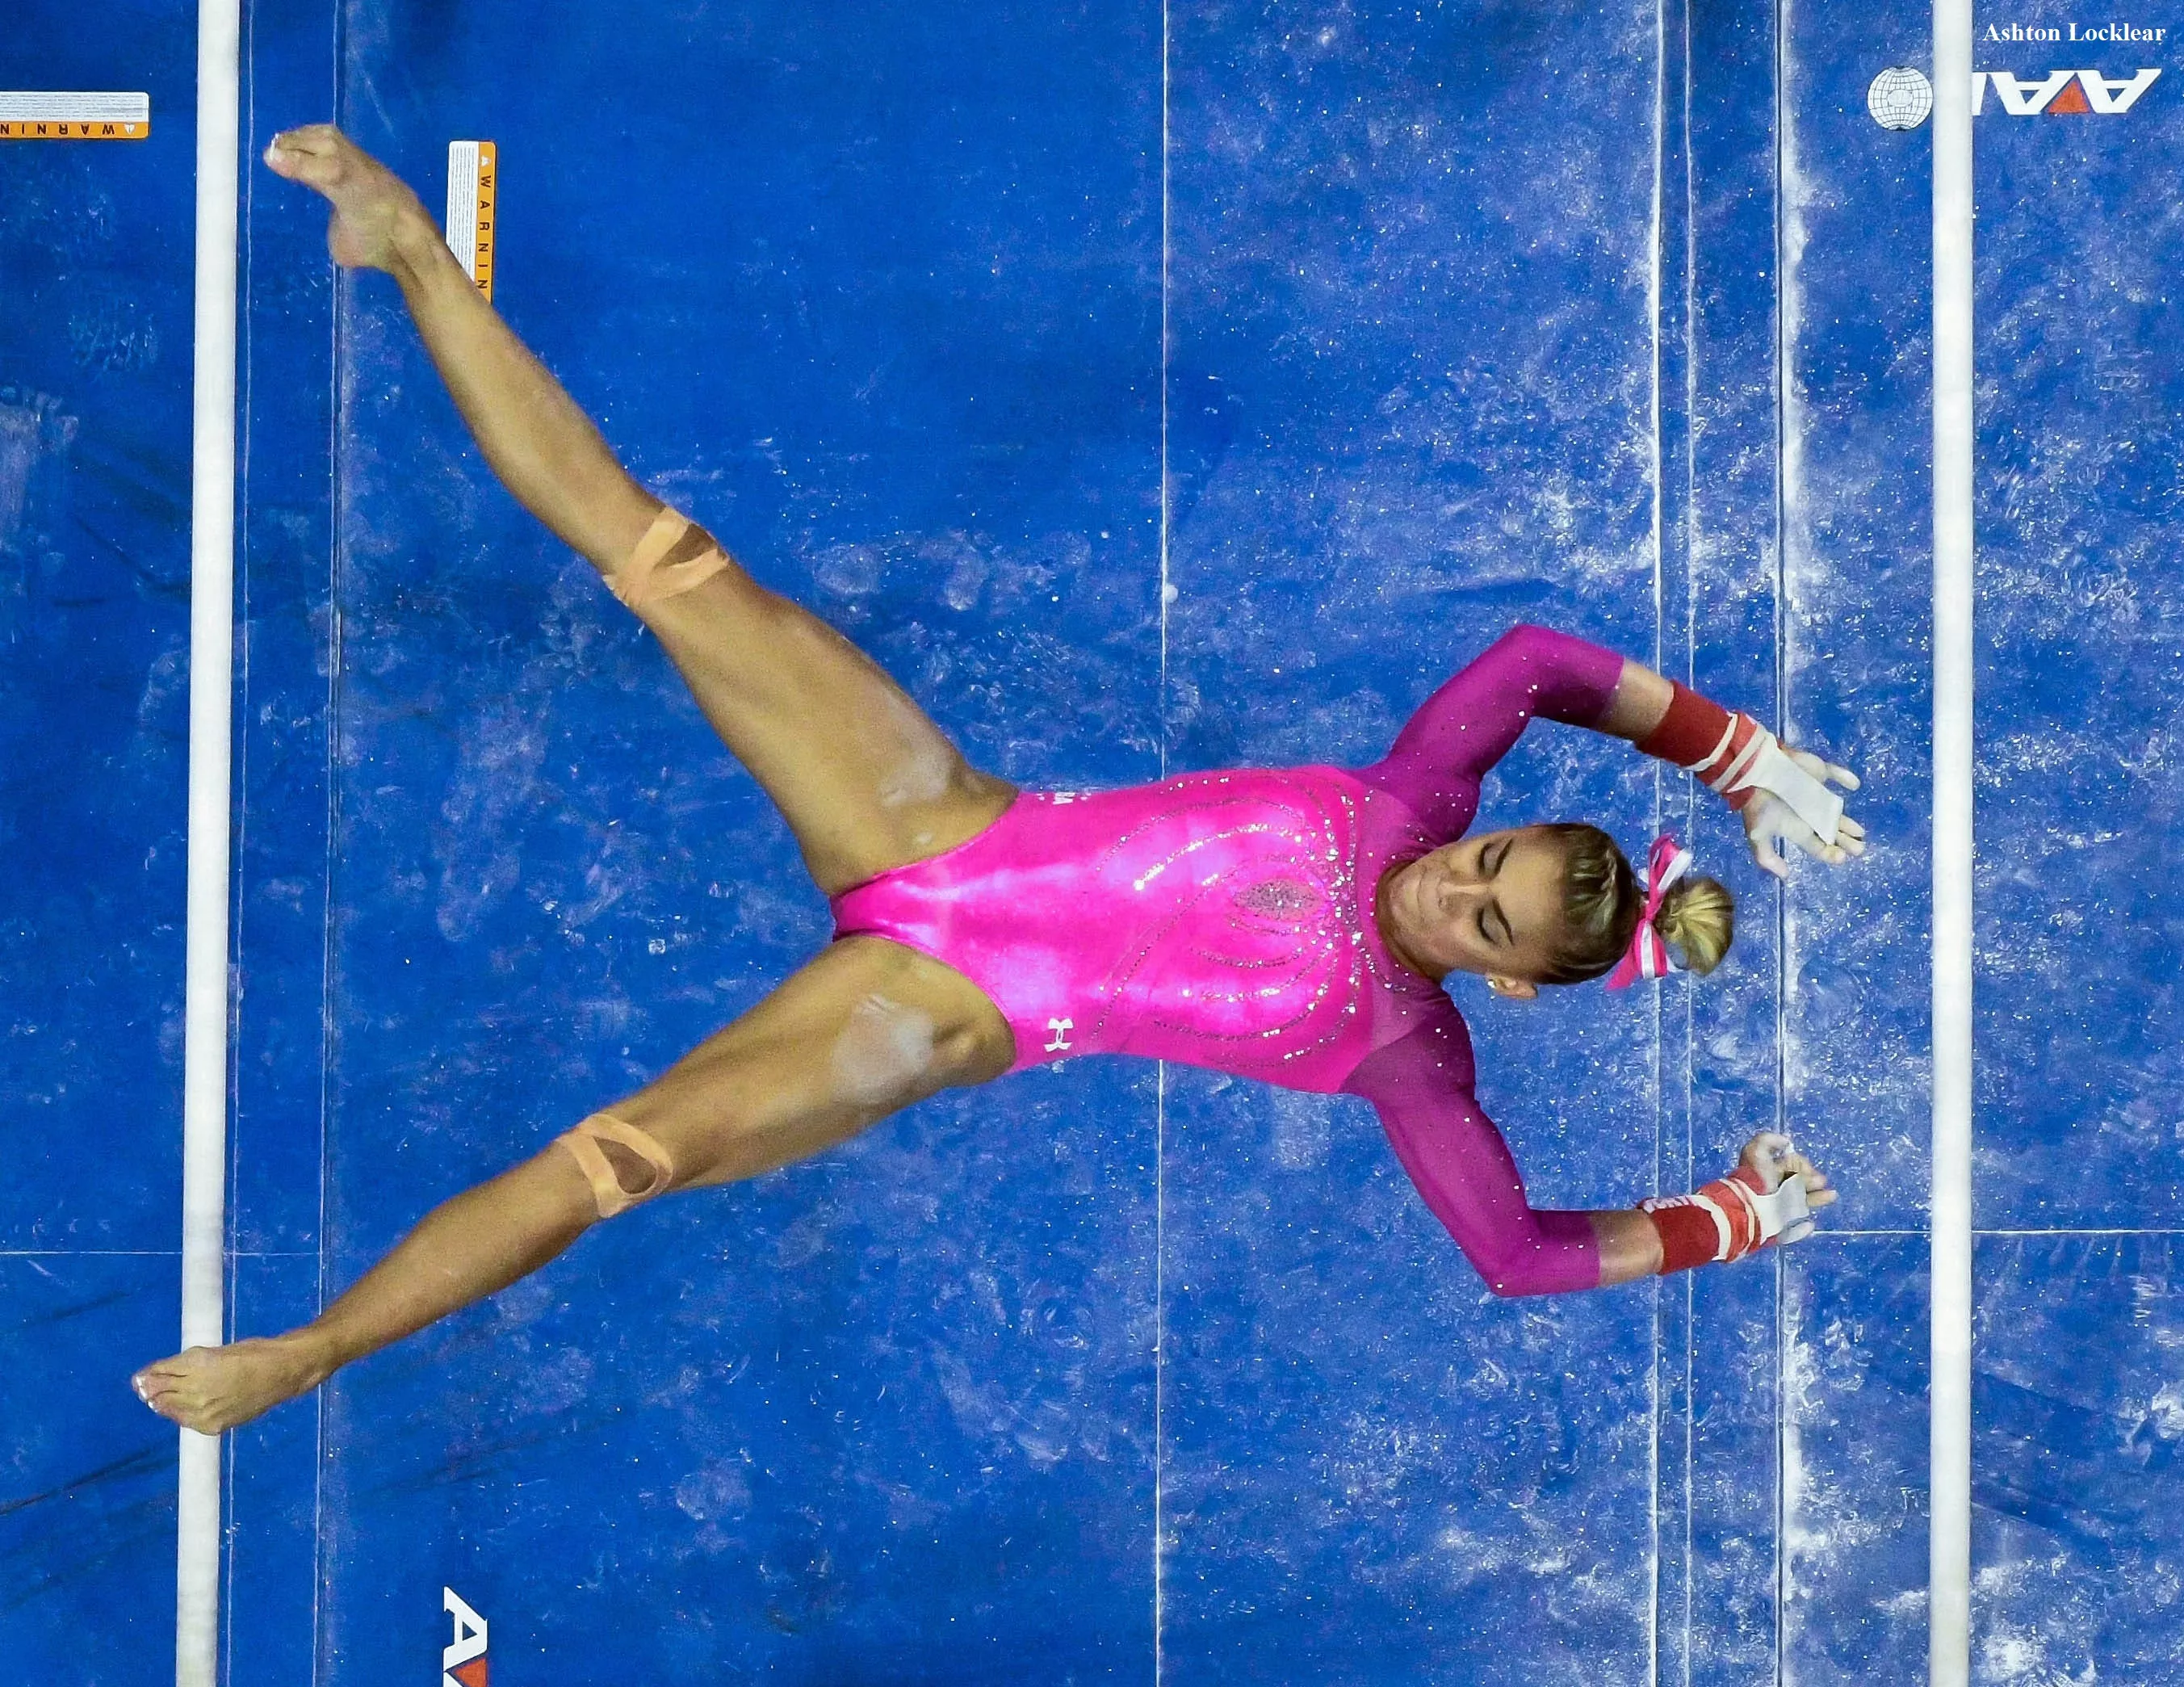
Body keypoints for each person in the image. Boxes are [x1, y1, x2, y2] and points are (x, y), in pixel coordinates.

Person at [132, 127, 1859, 1437]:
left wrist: (1719, 1219)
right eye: (1487, 857)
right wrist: (1733, 751)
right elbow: (1539, 661)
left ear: (1506, 981)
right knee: (662, 559)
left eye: (1480, 921)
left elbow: (1517, 1253)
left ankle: (313, 1349)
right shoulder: (1414, 800)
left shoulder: (1404, 1053)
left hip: (940, 1009)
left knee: (620, 1162)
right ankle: (407, 246)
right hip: (936, 819)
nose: (1446, 884)